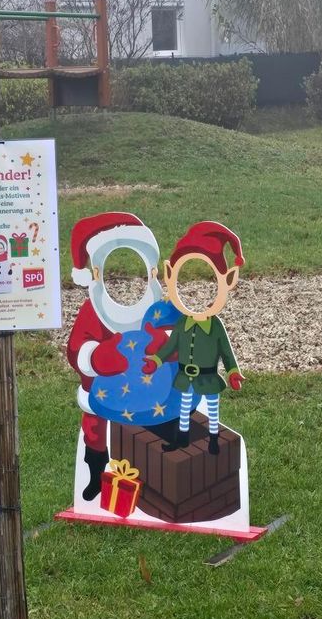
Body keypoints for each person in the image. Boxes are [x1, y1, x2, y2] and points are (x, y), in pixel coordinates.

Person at [66, 213, 168, 500]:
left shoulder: (154, 309)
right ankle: (96, 476)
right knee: (96, 431)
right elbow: (76, 349)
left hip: (147, 388)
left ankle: (151, 479)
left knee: (149, 431)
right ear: (96, 275)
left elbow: (168, 338)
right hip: (101, 389)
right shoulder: (93, 311)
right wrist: (97, 357)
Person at [143, 222, 245, 455]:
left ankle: (213, 439)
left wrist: (232, 371)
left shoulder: (215, 326)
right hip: (185, 377)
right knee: (184, 407)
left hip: (209, 378)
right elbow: (170, 346)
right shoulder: (182, 323)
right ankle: (182, 439)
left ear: (228, 281)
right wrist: (156, 361)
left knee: (212, 409)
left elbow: (226, 352)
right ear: (170, 275)